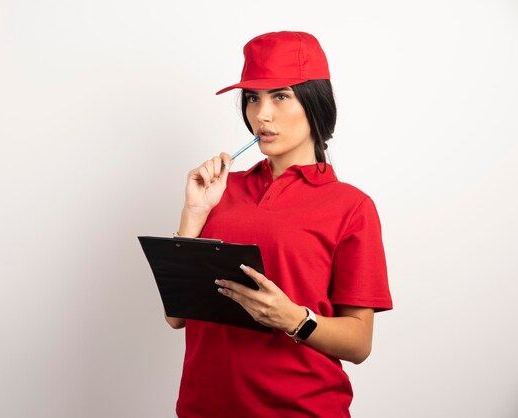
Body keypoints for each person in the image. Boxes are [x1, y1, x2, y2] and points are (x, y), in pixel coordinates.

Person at [165, 31, 393, 418]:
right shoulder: (221, 190)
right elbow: (177, 316)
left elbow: (359, 344)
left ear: (315, 103)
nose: (261, 115)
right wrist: (193, 212)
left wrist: (295, 320)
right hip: (203, 408)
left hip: (301, 410)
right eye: (253, 98)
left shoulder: (351, 206)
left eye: (280, 96)